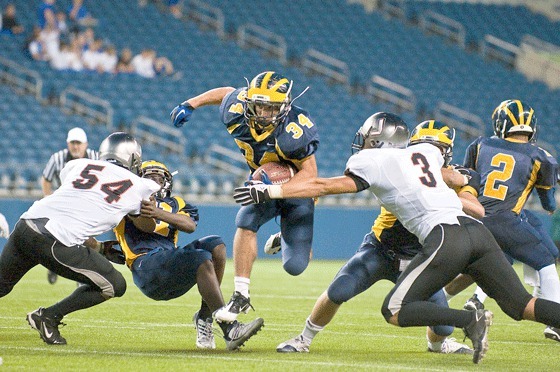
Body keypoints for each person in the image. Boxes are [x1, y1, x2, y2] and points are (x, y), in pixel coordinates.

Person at [233, 112, 560, 364]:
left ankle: (469, 320)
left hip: (445, 236)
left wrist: (269, 190)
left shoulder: (372, 159)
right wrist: (456, 181)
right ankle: (305, 338)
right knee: (522, 305)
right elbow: (451, 174)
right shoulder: (427, 154)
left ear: (375, 140)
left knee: (395, 309)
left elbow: (322, 186)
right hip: (473, 236)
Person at [276, 117, 480, 355]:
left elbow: (477, 210)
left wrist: (442, 192)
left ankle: (437, 344)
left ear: (446, 154)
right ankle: (304, 338)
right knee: (338, 291)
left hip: (420, 258)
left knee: (444, 326)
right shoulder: (397, 166)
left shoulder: (456, 178)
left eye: (435, 148)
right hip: (382, 250)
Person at [171, 71, 319, 322]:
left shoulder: (294, 131)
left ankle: (284, 234)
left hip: (296, 190)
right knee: (245, 219)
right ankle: (241, 295)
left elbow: (311, 176)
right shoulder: (236, 110)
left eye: (270, 108)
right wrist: (191, 104)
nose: (262, 113)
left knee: (295, 266)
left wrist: (275, 189)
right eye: (258, 105)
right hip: (262, 184)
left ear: (284, 107)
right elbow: (225, 93)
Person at [0, 132, 162, 345]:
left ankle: (46, 318)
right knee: (114, 285)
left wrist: (99, 248)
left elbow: (76, 209)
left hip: (27, 225)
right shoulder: (140, 185)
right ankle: (48, 317)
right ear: (132, 159)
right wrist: (150, 207)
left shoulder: (80, 165)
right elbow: (148, 226)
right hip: (53, 240)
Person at [113, 160, 264, 350]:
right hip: (145, 266)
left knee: (216, 245)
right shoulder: (130, 199)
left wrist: (158, 212)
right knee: (201, 258)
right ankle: (229, 329)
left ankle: (204, 317)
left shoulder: (177, 203)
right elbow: (142, 226)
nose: (154, 181)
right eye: (149, 177)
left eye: (159, 178)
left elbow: (189, 225)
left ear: (167, 182)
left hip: (169, 260)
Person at [445, 99, 560, 342]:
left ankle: (443, 300)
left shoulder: (480, 144)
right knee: (546, 261)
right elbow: (548, 202)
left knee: (475, 269)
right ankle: (555, 321)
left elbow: (467, 180)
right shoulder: (542, 156)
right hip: (505, 221)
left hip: (472, 217)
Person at [42, 127, 98, 285]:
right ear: (68, 144)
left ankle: (82, 276)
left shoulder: (96, 157)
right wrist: (48, 199)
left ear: (86, 144)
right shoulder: (57, 158)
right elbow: (46, 178)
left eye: (79, 143)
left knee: (85, 239)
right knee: (57, 239)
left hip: (86, 205)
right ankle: (53, 266)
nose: (76, 146)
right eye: (73, 143)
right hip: (64, 206)